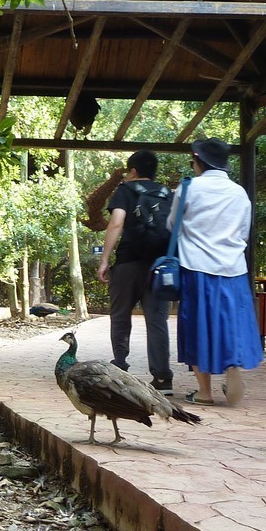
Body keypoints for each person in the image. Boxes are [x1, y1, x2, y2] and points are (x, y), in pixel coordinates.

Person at [168, 137, 263, 406]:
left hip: (196, 268)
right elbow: (244, 232)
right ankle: (232, 365)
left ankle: (204, 392)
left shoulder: (188, 188)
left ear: (198, 162)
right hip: (232, 269)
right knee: (230, 323)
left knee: (198, 326)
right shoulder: (239, 193)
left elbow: (172, 224)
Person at [97, 150, 174, 394]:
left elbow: (116, 223)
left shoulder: (125, 190)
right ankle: (163, 378)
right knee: (157, 321)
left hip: (129, 263)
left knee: (120, 315)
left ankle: (119, 368)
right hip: (159, 267)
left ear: (133, 171)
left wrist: (105, 259)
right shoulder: (167, 194)